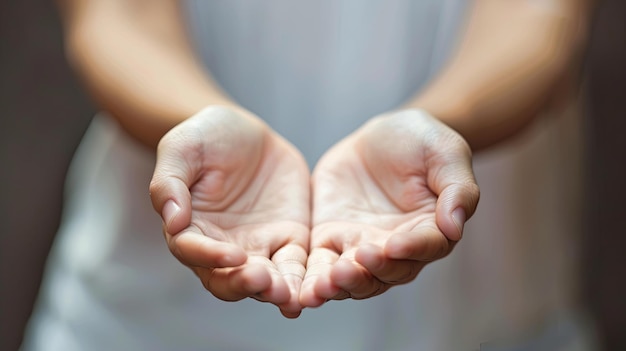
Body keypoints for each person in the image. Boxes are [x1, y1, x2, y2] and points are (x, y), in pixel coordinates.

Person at [23, 0, 595, 350]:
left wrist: (444, 120)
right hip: (145, 326)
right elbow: (117, 15)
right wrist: (192, 119)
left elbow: (538, 16)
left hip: (485, 322)